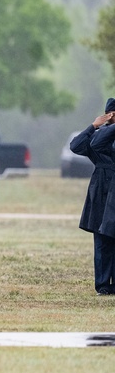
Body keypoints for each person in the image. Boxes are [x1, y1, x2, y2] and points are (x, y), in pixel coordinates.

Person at [72, 99, 115, 294]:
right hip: (102, 190)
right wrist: (93, 126)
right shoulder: (99, 135)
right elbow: (76, 145)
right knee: (102, 239)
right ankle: (103, 284)